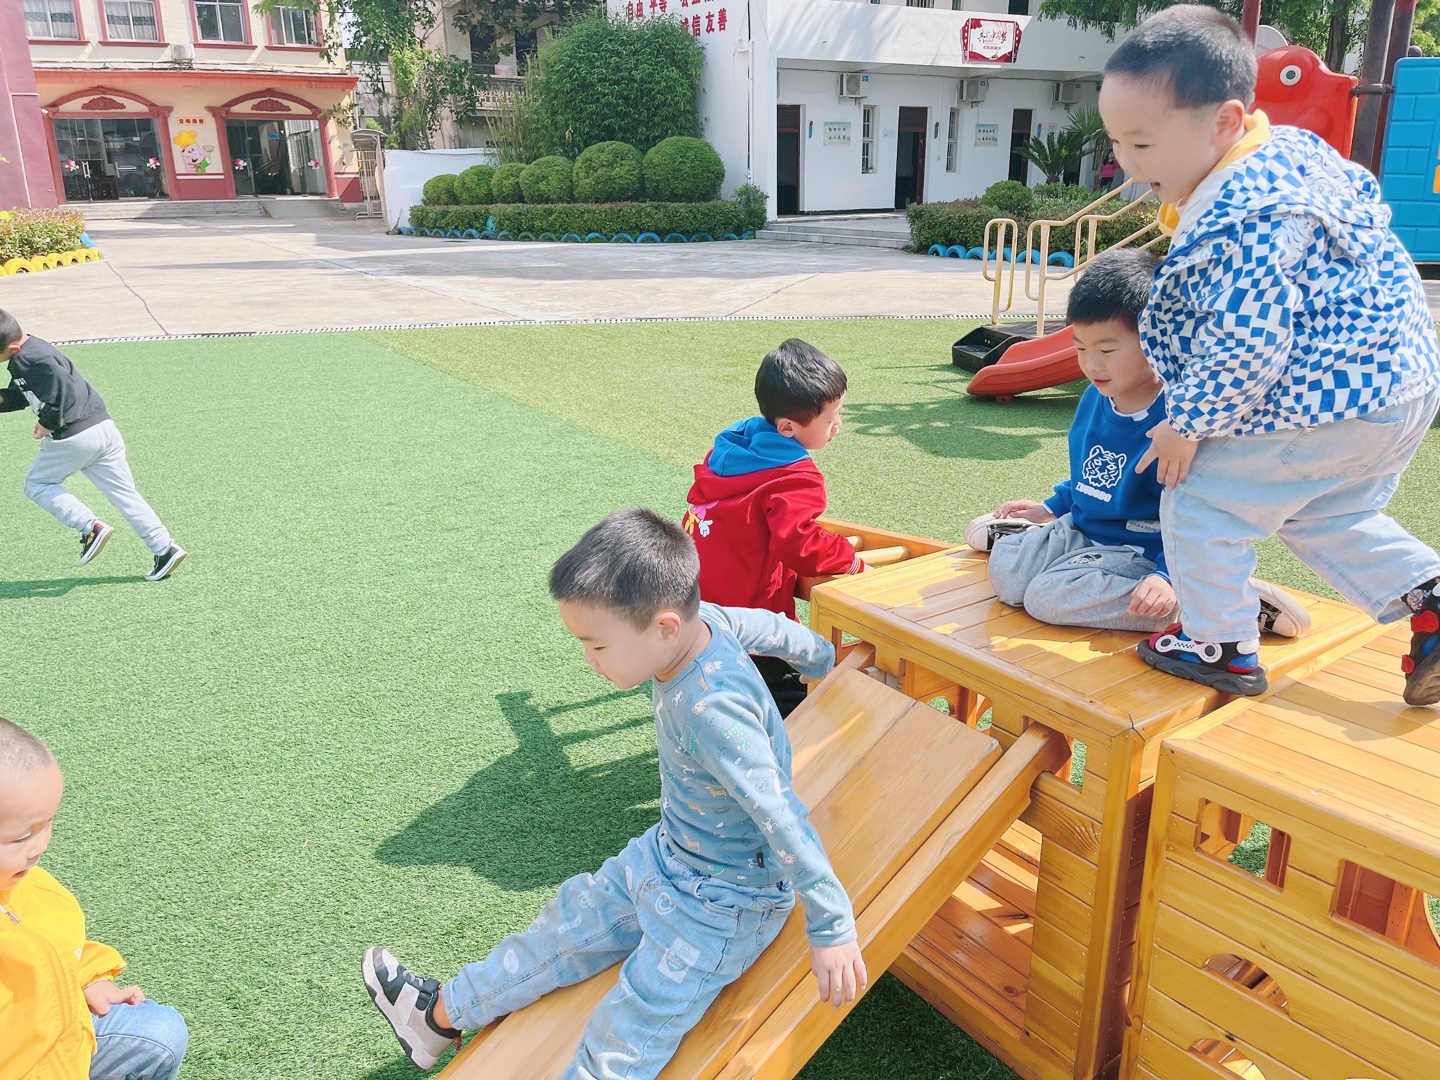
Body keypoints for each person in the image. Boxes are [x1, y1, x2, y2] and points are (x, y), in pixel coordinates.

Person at [363, 509, 866, 1079]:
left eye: (597, 646)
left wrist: (831, 926)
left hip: (726, 902)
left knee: (630, 1023)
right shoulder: (706, 622)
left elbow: (781, 815)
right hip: (669, 851)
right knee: (566, 924)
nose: (589, 660)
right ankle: (436, 1016)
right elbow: (773, 630)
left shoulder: (713, 711)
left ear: (665, 627)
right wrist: (826, 660)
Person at [1098, 5, 1440, 701]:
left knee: (1200, 502)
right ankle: (1429, 595)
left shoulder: (1243, 216)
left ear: (1224, 122)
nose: (1126, 163)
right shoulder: (1287, 152)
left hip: (1330, 393)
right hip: (1399, 384)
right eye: (1117, 142)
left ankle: (1219, 644)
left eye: (1142, 143)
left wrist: (1186, 422)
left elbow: (1247, 342)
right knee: (1320, 510)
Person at [966, 249, 1309, 640]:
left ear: (1159, 341)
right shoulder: (1095, 396)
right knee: (1008, 576)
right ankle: (1032, 539)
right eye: (1080, 348)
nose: (1091, 365)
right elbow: (1093, 475)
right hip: (1084, 529)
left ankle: (1218, 599)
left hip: (1147, 550)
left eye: (1106, 351)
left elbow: (1201, 513)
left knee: (1046, 598)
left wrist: (1167, 574)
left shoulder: (1182, 423)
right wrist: (1051, 507)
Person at [0, 717, 189, 1080]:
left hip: (62, 1046)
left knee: (158, 1033)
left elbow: (53, 947)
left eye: (47, 823)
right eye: (21, 837)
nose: (39, 846)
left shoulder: (30, 887)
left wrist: (89, 978)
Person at [684, 339, 865, 715]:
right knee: (788, 700)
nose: (838, 425)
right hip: (753, 615)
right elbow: (799, 543)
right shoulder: (794, 477)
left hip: (700, 599)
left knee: (716, 680)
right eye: (830, 419)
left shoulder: (730, 448)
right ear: (787, 427)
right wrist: (849, 560)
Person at [0, 309, 186, 582]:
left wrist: (48, 422)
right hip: (103, 429)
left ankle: (90, 527)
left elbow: (62, 387)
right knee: (124, 494)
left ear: (12, 348)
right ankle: (164, 548)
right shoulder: (32, 350)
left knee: (37, 484)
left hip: (75, 436)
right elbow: (20, 395)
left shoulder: (29, 359)